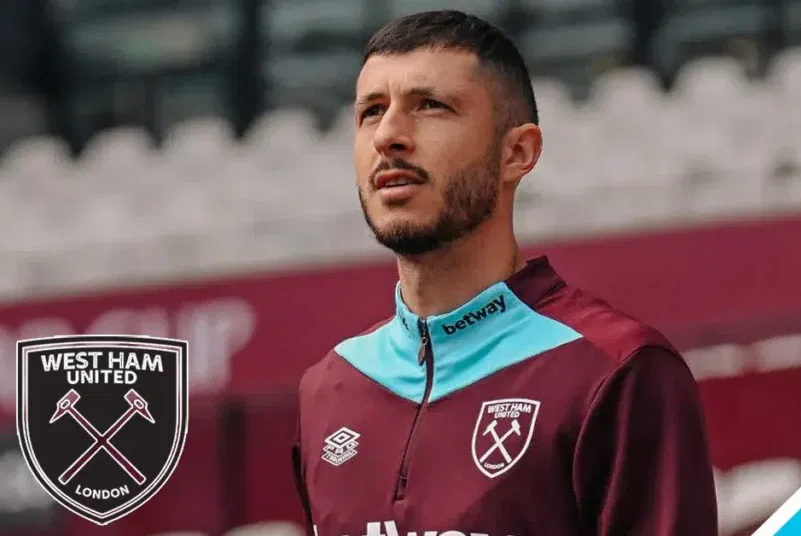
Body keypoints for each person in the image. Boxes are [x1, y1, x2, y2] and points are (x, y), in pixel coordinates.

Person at [292, 10, 717, 536]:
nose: (389, 136)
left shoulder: (617, 369)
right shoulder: (329, 388)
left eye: (430, 106)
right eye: (371, 112)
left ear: (518, 152)